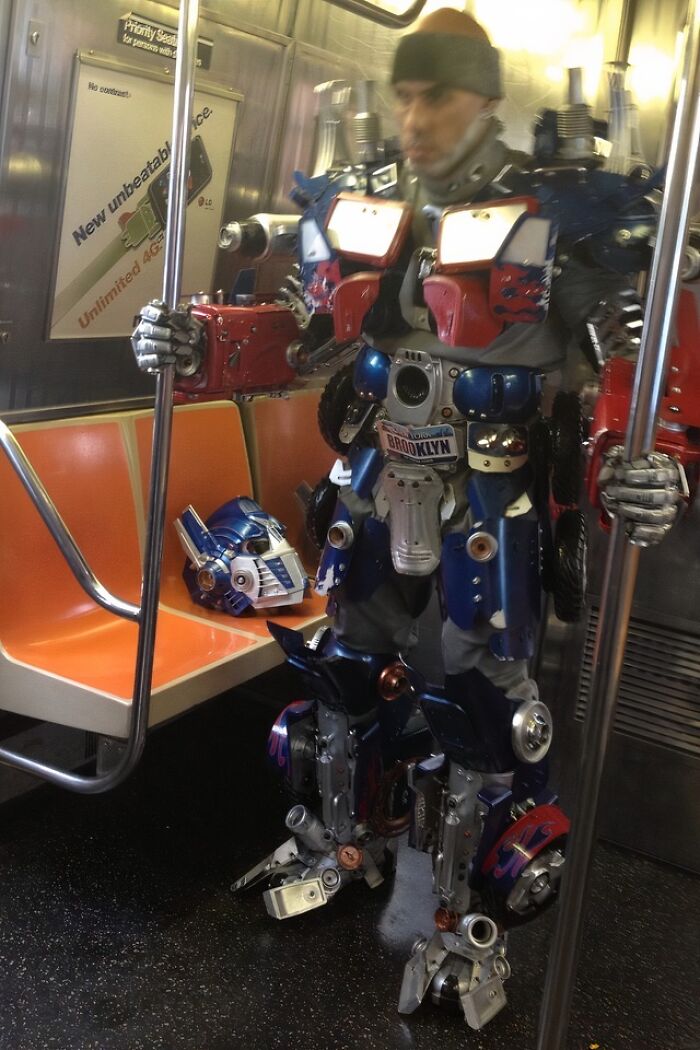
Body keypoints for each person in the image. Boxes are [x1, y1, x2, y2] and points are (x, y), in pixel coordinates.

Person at [131, 6, 685, 1031]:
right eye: (405, 92)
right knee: (341, 666)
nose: (414, 114)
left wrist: (645, 465)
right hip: (375, 480)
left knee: (480, 709)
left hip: (494, 498)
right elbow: (299, 340)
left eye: (436, 94)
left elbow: (641, 359)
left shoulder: (560, 213)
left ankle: (458, 922)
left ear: (482, 96)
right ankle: (338, 844)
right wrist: (193, 343)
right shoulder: (363, 200)